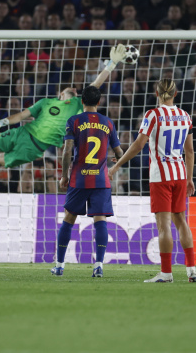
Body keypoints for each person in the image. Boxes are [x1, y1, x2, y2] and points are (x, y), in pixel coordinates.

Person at [0, 45, 128, 176]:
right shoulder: (45, 102)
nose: (74, 90)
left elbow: (96, 84)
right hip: (22, 132)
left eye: (75, 89)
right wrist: (3, 122)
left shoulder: (78, 106)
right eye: (70, 89)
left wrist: (112, 63)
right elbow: (22, 115)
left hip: (33, 148)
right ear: (60, 94)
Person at [109, 79, 196, 283]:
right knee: (181, 221)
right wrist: (190, 178)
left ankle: (166, 273)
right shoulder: (185, 116)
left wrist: (117, 164)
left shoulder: (153, 115)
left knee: (164, 226)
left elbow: (139, 144)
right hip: (180, 174)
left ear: (156, 94)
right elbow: (190, 151)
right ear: (175, 94)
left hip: (161, 176)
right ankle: (192, 270)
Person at [50, 86, 124, 278]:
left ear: (82, 101)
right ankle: (98, 265)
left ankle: (59, 265)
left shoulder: (74, 121)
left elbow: (67, 151)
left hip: (79, 179)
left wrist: (65, 176)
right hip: (100, 180)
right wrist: (114, 166)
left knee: (69, 219)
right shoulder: (108, 123)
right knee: (100, 220)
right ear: (99, 102)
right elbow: (119, 153)